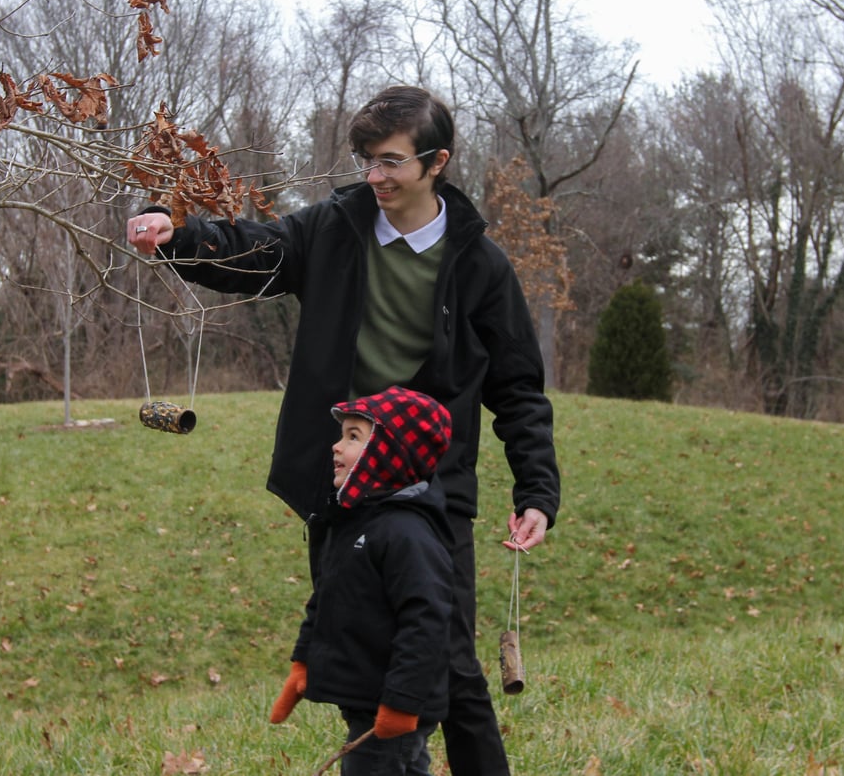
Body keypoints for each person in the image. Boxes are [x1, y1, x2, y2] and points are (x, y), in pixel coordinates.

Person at [127, 85, 560, 776]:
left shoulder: (480, 266)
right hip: (344, 477)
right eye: (366, 161)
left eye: (390, 162)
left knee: (451, 663)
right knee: (359, 656)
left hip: (434, 487)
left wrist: (537, 490)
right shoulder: (335, 228)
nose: (375, 177)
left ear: (436, 161)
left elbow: (518, 390)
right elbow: (253, 250)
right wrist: (178, 235)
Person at [268, 386, 458, 775]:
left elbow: (426, 621)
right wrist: (303, 663)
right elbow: (325, 599)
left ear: (390, 453)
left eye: (353, 436)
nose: (336, 447)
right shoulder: (352, 522)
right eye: (342, 435)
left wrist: (401, 701)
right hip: (368, 700)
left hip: (392, 706)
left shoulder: (407, 533)